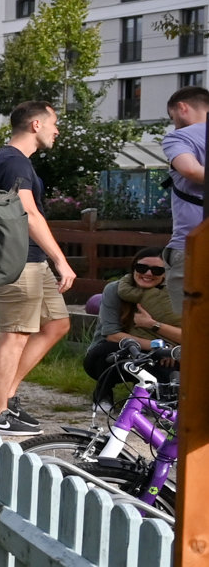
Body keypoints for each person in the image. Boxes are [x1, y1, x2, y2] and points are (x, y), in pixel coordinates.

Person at [0, 101, 80, 434]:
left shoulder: (16, 162)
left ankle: (4, 395)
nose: (57, 130)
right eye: (54, 123)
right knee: (16, 334)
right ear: (36, 125)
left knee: (57, 325)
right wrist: (61, 259)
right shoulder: (13, 162)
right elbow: (28, 213)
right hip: (19, 261)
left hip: (32, 260)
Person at [84, 253, 182, 382]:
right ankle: (104, 395)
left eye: (157, 270)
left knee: (167, 372)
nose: (148, 273)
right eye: (141, 267)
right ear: (133, 268)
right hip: (124, 347)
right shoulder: (115, 289)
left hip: (171, 352)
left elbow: (191, 338)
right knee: (105, 353)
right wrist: (160, 347)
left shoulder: (175, 294)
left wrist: (153, 325)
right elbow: (112, 335)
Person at [165, 85, 208, 302]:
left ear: (182, 107)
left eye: (173, 116)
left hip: (191, 247)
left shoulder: (179, 137)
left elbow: (189, 169)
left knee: (189, 328)